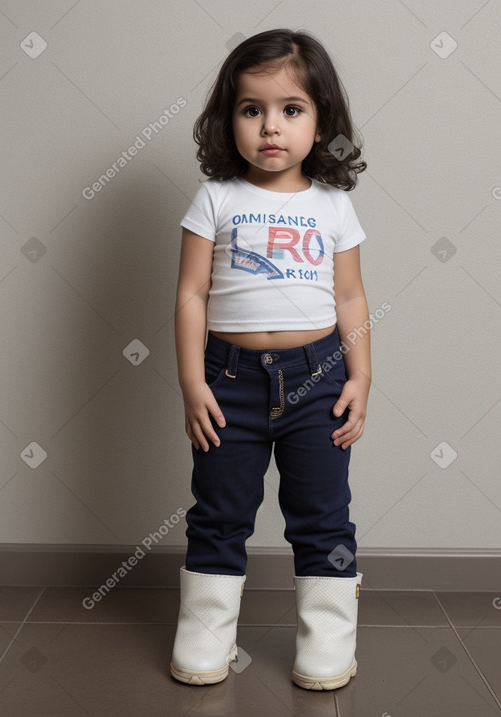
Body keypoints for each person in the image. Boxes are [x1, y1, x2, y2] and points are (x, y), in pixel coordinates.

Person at [170, 28, 371, 691]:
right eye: (251, 109)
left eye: (291, 109)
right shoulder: (216, 199)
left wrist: (362, 374)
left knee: (322, 511)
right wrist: (193, 381)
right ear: (229, 120)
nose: (270, 127)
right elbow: (192, 292)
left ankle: (327, 640)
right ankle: (205, 633)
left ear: (322, 121)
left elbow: (350, 295)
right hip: (229, 381)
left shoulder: (333, 206)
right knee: (220, 508)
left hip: (320, 379)